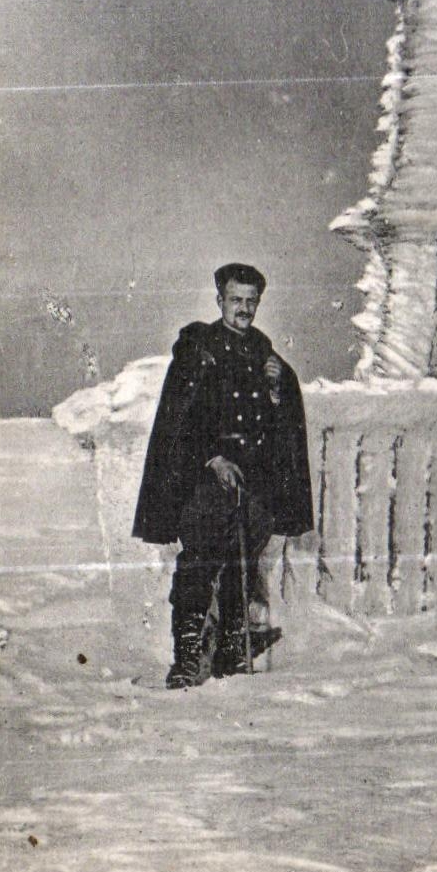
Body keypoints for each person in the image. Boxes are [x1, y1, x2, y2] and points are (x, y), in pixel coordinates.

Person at [133, 263, 314, 689]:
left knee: (243, 562)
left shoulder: (263, 352)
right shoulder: (200, 347)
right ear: (220, 301)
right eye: (236, 300)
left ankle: (233, 650)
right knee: (198, 562)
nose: (244, 309)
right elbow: (182, 418)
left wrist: (275, 391)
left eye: (251, 301)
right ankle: (186, 657)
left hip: (252, 483)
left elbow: (277, 421)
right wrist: (213, 458)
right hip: (206, 477)